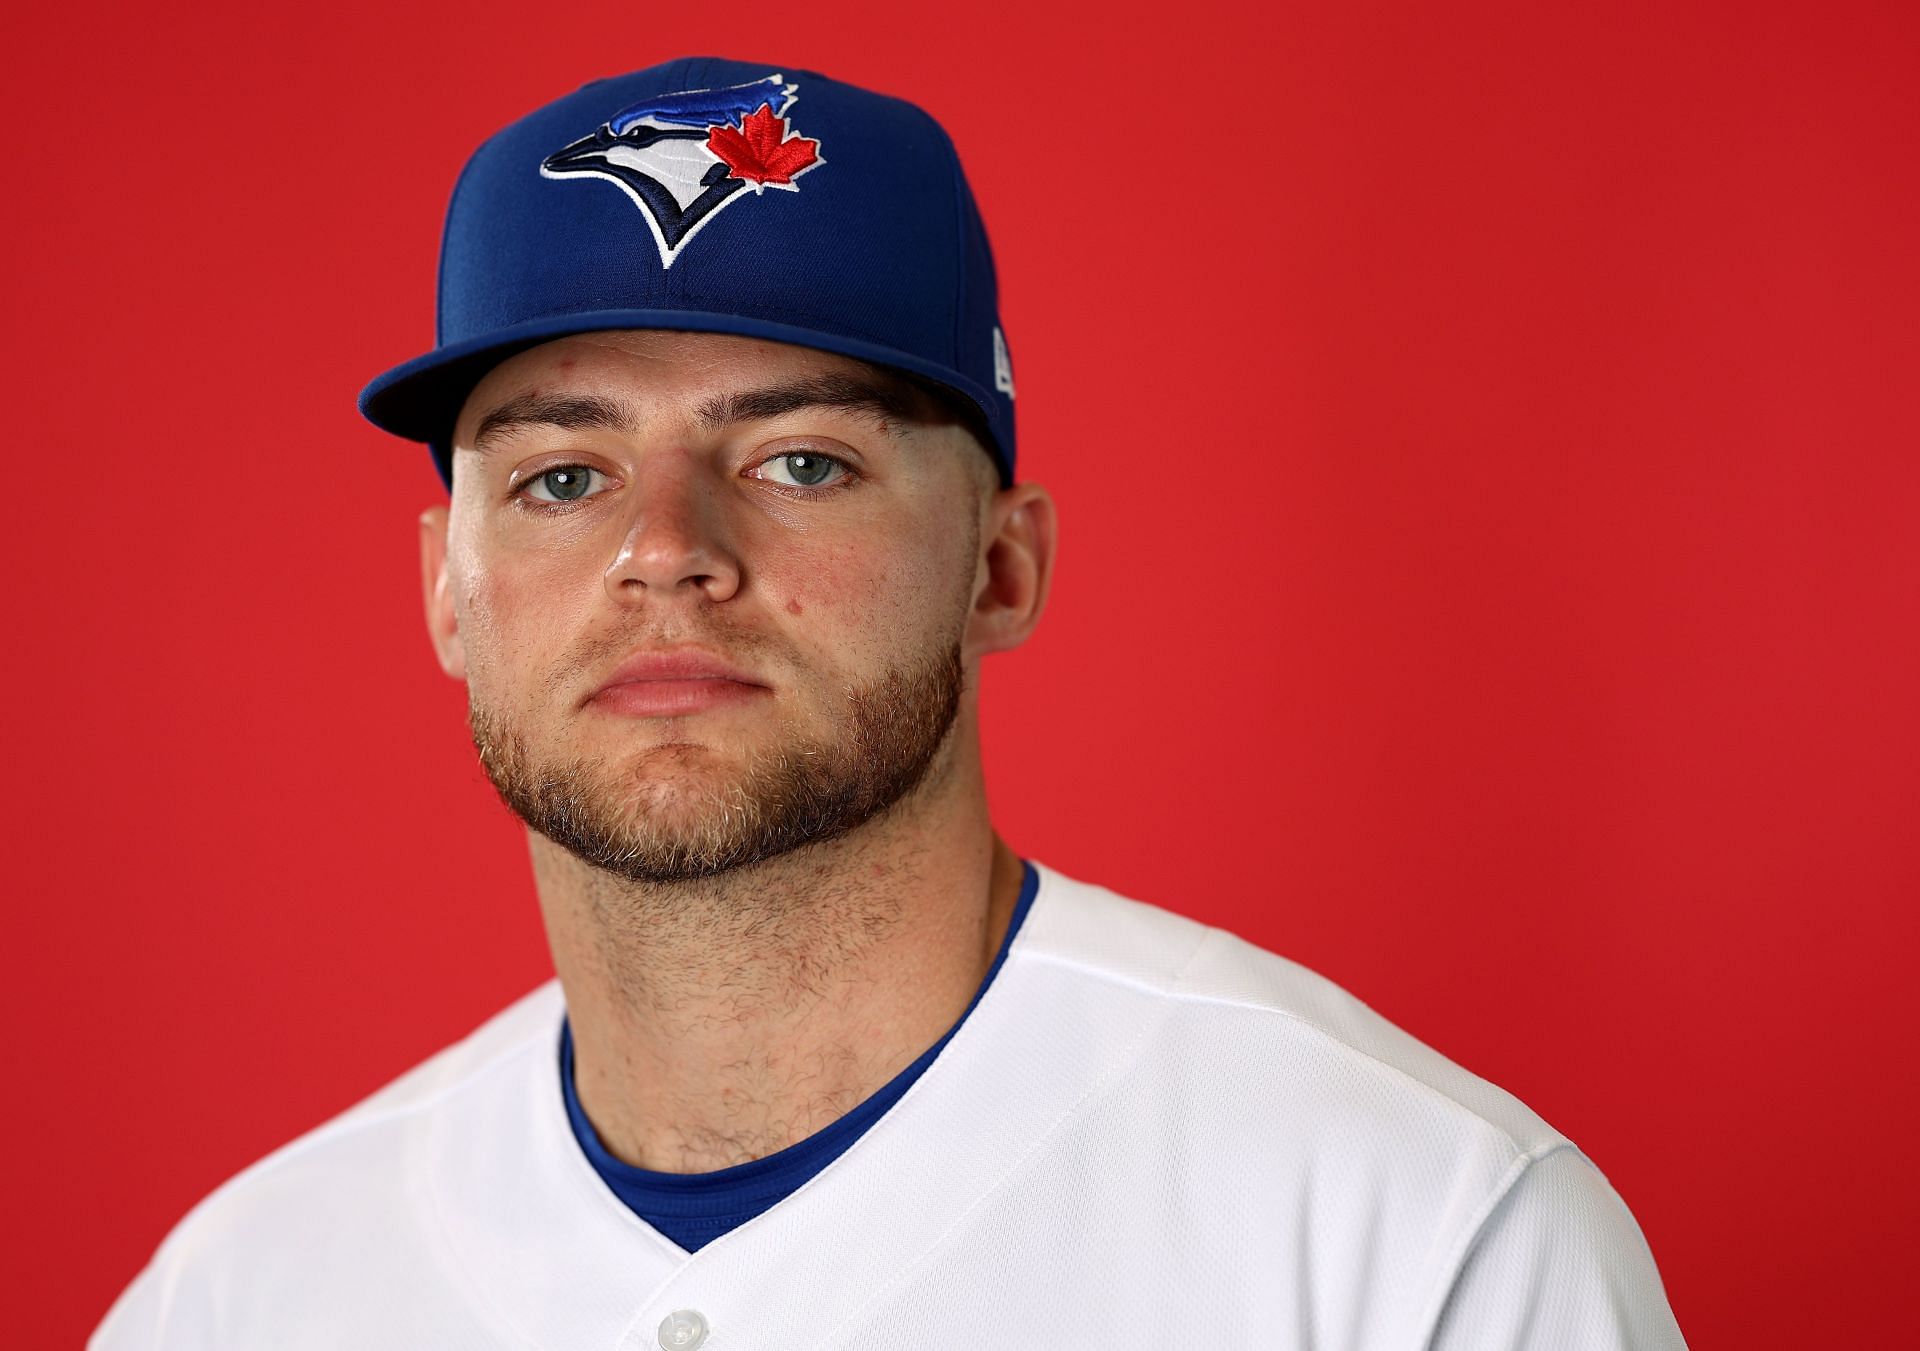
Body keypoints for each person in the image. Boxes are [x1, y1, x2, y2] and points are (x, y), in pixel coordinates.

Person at [92, 56, 1687, 1349]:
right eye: (564, 475)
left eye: (801, 461)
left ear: (1000, 567)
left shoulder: (1418, 1238)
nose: (665, 552)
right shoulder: (236, 1298)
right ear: (451, 586)